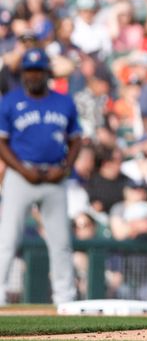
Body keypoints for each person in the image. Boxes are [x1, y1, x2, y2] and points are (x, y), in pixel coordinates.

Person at [0, 48, 82, 306]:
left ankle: (65, 298)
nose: (33, 75)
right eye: (29, 70)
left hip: (55, 177)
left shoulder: (64, 101)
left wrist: (66, 168)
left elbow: (76, 139)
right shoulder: (10, 101)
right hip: (21, 175)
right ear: (23, 73)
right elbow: (1, 142)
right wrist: (23, 170)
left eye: (38, 70)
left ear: (48, 73)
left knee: (60, 242)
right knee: (8, 239)